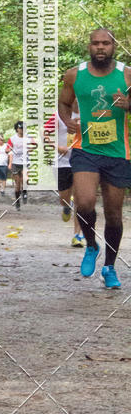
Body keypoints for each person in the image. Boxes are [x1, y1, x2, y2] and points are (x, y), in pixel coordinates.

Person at [59, 28, 131, 289]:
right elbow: (64, 103)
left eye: (106, 43)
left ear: (114, 46)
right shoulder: (74, 75)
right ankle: (91, 245)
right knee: (86, 203)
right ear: (88, 46)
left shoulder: (126, 74)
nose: (100, 47)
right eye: (95, 43)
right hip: (85, 149)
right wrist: (68, 122)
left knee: (113, 214)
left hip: (117, 152)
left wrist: (129, 105)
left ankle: (110, 267)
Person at [44, 103, 85, 247]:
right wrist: (57, 147)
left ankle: (77, 235)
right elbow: (44, 134)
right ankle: (67, 206)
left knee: (81, 199)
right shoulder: (58, 115)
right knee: (64, 197)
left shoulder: (88, 112)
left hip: (82, 161)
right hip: (62, 163)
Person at [6, 122, 37, 210]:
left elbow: (35, 145)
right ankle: (17, 202)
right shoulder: (12, 138)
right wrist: (8, 150)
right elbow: (7, 149)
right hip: (15, 163)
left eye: (23, 128)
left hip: (25, 162)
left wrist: (30, 149)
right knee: (17, 184)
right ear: (17, 129)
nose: (22, 130)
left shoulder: (29, 137)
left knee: (25, 179)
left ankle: (25, 191)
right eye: (20, 128)